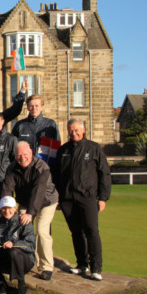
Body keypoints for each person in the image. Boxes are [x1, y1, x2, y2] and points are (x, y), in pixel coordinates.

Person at [52, 118, 111, 281]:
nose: (74, 133)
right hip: (67, 198)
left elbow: (104, 173)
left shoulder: (93, 148)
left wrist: (103, 197)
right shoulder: (63, 150)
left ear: (83, 130)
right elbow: (56, 176)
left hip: (87, 197)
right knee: (76, 232)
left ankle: (96, 268)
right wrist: (57, 197)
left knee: (91, 231)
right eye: (71, 130)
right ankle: (82, 264)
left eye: (77, 130)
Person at [0, 141, 59, 281]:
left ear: (31, 153)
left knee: (42, 231)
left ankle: (46, 267)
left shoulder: (42, 167)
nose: (22, 157)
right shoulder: (12, 168)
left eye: (25, 154)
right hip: (25, 201)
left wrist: (30, 214)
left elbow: (38, 192)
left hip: (46, 201)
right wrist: (2, 209)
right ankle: (26, 262)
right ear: (15, 155)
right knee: (18, 228)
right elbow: (7, 189)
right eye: (19, 155)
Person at [0, 196, 36, 294]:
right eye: (4, 208)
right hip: (5, 260)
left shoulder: (24, 221)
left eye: (10, 208)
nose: (7, 211)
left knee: (14, 251)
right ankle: (0, 285)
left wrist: (14, 244)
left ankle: (21, 284)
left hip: (24, 261)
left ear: (15, 208)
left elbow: (31, 245)